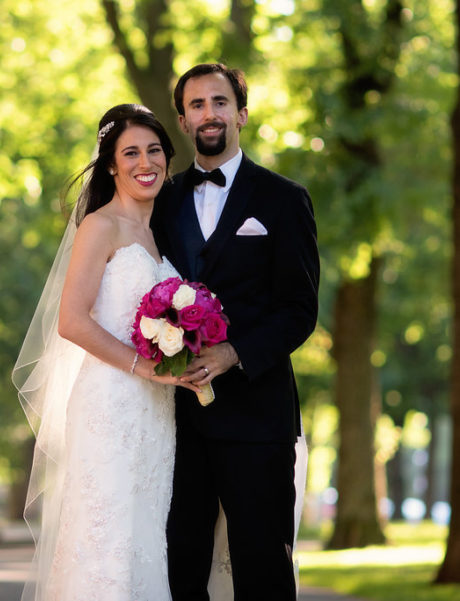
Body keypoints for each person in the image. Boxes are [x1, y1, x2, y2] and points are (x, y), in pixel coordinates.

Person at [13, 104, 216, 600]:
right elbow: (72, 321)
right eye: (130, 153)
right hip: (110, 404)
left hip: (156, 411)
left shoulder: (155, 234)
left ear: (168, 159)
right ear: (111, 165)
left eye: (153, 151)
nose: (144, 162)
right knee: (107, 542)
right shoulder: (99, 227)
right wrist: (147, 365)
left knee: (144, 539)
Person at [152, 63, 319, 600]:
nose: (209, 114)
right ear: (182, 119)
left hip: (257, 419)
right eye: (197, 105)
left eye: (220, 102)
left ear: (241, 114)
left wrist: (233, 354)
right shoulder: (160, 201)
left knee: (262, 569)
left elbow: (300, 309)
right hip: (173, 424)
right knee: (180, 568)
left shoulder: (283, 199)